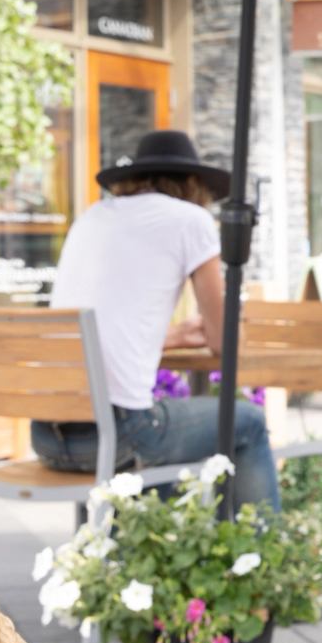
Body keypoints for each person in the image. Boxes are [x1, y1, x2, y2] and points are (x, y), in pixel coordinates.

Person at [35, 129, 280, 510]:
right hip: (117, 435)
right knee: (245, 421)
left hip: (47, 436)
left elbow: (100, 330)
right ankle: (262, 557)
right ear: (193, 183)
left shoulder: (92, 216)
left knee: (171, 430)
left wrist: (172, 336)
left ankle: (125, 558)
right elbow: (222, 342)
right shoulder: (191, 220)